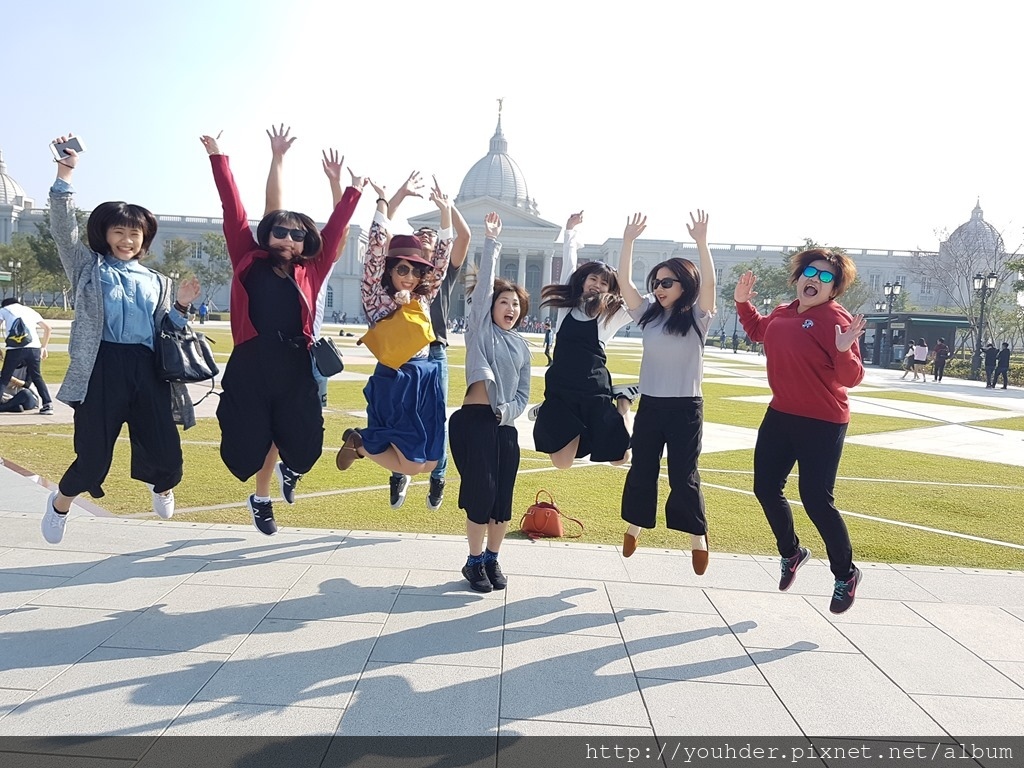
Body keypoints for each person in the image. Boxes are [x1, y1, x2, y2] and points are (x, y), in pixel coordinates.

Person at [41, 133, 201, 545]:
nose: (127, 241)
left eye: (135, 234)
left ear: (145, 239)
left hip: (147, 370)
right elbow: (62, 230)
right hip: (101, 368)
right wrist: (65, 175)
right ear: (105, 234)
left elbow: (167, 331)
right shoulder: (87, 267)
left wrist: (182, 306)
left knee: (166, 451)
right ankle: (60, 503)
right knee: (93, 457)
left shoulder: (157, 280)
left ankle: (161, 485)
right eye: (119, 232)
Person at [199, 131, 361, 536]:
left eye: (297, 235)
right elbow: (232, 209)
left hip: (294, 366)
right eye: (281, 232)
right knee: (246, 444)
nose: (288, 239)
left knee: (304, 444)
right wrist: (219, 158)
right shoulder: (246, 257)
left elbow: (337, 229)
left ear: (307, 242)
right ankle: (260, 495)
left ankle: (287, 472)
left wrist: (352, 192)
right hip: (251, 362)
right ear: (267, 233)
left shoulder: (312, 270)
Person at [734, 247, 867, 614]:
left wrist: (844, 349)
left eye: (825, 277)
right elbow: (757, 331)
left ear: (834, 289)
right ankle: (791, 552)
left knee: (816, 500)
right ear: (798, 277)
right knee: (765, 488)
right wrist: (743, 303)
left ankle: (845, 574)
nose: (815, 280)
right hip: (780, 414)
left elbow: (852, 378)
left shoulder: (835, 319)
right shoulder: (783, 312)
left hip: (823, 421)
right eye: (810, 272)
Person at [617, 211, 716, 574]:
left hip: (685, 408)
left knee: (682, 475)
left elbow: (709, 284)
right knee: (642, 469)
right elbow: (624, 282)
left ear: (684, 284)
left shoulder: (698, 317)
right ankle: (635, 526)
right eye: (656, 282)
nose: (659, 288)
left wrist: (702, 242)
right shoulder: (647, 314)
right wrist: (628, 241)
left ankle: (697, 537)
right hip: (651, 407)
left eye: (667, 282)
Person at [335, 177, 453, 478]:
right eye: (402, 269)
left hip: (426, 377)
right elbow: (375, 251)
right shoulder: (376, 298)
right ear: (389, 269)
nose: (410, 276)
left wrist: (445, 213)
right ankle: (361, 444)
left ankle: (361, 444)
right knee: (412, 465)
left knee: (430, 462)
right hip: (397, 379)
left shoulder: (423, 295)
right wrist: (383, 203)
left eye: (416, 270)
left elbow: (441, 262)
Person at [378, 172, 472, 513]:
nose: (427, 239)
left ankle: (438, 477)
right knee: (397, 413)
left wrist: (449, 207)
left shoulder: (442, 275)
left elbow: (463, 236)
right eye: (421, 238)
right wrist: (393, 198)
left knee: (434, 417)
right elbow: (382, 236)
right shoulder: (401, 275)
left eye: (432, 238)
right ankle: (398, 473)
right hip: (401, 350)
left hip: (434, 350)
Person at [449, 212, 531, 592]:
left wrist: (506, 412)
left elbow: (523, 394)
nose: (510, 309)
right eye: (504, 302)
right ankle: (473, 561)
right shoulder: (480, 330)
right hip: (474, 422)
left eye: (516, 304)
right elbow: (482, 291)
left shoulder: (523, 347)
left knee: (502, 500)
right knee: (480, 495)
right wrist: (491, 242)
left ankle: (492, 559)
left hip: (504, 427)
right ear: (492, 306)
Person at [531, 211, 635, 469]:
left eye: (604, 283)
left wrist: (628, 242)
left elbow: (638, 301)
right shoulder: (567, 307)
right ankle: (548, 412)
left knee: (621, 458)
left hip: (593, 392)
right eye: (593, 279)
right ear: (584, 281)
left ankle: (624, 401)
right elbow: (568, 266)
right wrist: (570, 232)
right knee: (562, 463)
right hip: (562, 390)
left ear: (610, 289)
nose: (596, 285)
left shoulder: (612, 315)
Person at [0, 297, 54, 414]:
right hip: (34, 347)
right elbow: (48, 328)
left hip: (15, 347)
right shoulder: (29, 310)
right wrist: (44, 347)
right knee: (37, 376)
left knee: (5, 377)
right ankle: (48, 404)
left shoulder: (4, 310)